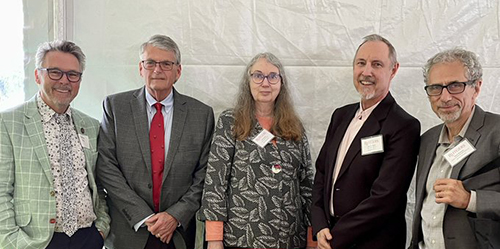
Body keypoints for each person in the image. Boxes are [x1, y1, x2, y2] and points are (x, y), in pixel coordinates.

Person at [96, 34, 215, 249]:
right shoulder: (115, 107)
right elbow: (106, 167)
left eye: (166, 64)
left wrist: (174, 216)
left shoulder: (202, 115)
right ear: (141, 68)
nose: (157, 70)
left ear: (178, 71)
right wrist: (143, 216)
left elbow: (205, 174)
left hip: (176, 234)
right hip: (128, 232)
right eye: (150, 62)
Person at [311, 34, 421, 249]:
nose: (366, 71)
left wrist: (335, 238)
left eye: (377, 64)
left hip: (372, 242)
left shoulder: (404, 125)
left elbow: (385, 198)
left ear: (394, 70)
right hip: (329, 237)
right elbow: (321, 173)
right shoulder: (340, 116)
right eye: (361, 63)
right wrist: (319, 224)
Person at [198, 52, 315, 249]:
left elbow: (307, 184)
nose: (265, 83)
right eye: (258, 75)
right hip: (242, 237)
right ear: (248, 81)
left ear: (281, 83)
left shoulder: (295, 127)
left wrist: (312, 237)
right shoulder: (230, 122)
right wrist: (214, 240)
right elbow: (215, 182)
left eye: (273, 76)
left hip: (290, 238)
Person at [0, 40, 110, 249]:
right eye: (55, 72)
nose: (64, 81)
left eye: (72, 74)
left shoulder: (91, 125)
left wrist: (101, 229)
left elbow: (100, 184)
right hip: (36, 242)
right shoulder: (8, 122)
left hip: (88, 239)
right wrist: (14, 242)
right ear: (37, 75)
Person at [410, 48, 500, 249]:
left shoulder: (497, 132)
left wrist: (471, 199)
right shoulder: (427, 140)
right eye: (435, 88)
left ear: (476, 88)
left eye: (455, 86)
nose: (445, 97)